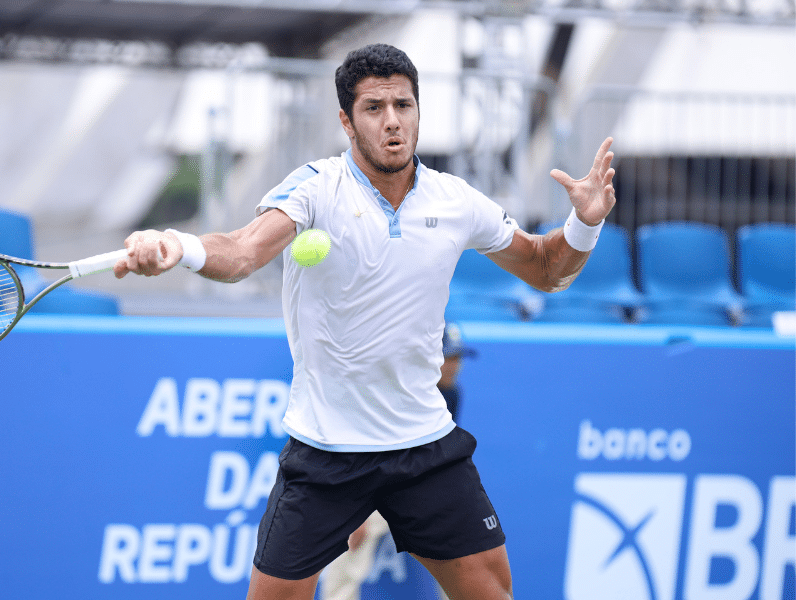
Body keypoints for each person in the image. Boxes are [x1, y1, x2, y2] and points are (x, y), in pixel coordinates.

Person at [115, 43, 616, 600]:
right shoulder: (314, 188)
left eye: (404, 105)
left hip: (424, 445)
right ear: (346, 122)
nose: (393, 121)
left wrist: (583, 225)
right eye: (374, 108)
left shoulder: (456, 200)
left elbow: (546, 269)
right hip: (326, 451)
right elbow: (239, 253)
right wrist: (176, 245)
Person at [319, 322, 478, 600]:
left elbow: (443, 458)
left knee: (459, 548)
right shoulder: (398, 391)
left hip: (417, 487)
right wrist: (356, 513)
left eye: (457, 358)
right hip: (371, 485)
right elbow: (362, 455)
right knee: (348, 542)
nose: (454, 366)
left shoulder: (451, 394)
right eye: (447, 357)